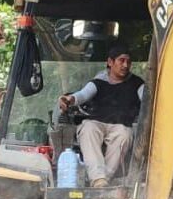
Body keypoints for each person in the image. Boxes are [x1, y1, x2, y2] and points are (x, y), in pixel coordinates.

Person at [58, 44, 145, 187]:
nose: (125, 65)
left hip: (121, 125)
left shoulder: (137, 84)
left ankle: (103, 181)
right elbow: (83, 95)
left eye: (128, 62)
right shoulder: (98, 82)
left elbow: (147, 100)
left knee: (124, 135)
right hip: (97, 123)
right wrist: (69, 99)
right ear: (110, 62)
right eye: (121, 60)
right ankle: (98, 178)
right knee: (88, 129)